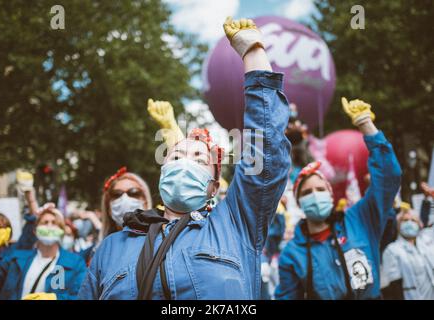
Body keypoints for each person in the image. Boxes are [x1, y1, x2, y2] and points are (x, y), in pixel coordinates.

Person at [78, 16, 291, 300]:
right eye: (177, 156)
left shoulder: (236, 224)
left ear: (214, 187)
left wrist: (253, 53)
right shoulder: (112, 247)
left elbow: (265, 151)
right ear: (163, 173)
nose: (185, 164)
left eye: (199, 160)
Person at [275, 97, 402, 300]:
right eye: (307, 193)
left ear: (331, 195)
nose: (315, 195)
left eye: (320, 189)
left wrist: (366, 125)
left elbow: (389, 178)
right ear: (299, 203)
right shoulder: (292, 254)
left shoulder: (360, 219)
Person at [0, 205, 86, 300]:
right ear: (35, 230)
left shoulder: (76, 263)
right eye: (45, 222)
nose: (49, 226)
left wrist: (55, 298)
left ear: (62, 231)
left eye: (54, 223)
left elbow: (83, 295)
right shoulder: (15, 259)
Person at [381, 210, 434, 299]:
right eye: (405, 220)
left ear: (419, 225)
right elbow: (392, 287)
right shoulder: (392, 250)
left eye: (413, 220)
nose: (409, 223)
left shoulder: (426, 243)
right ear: (398, 225)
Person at [100, 167, 153, 240]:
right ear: (108, 206)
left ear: (145, 202)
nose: (125, 199)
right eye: (117, 194)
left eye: (134, 192)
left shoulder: (160, 244)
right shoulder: (99, 249)